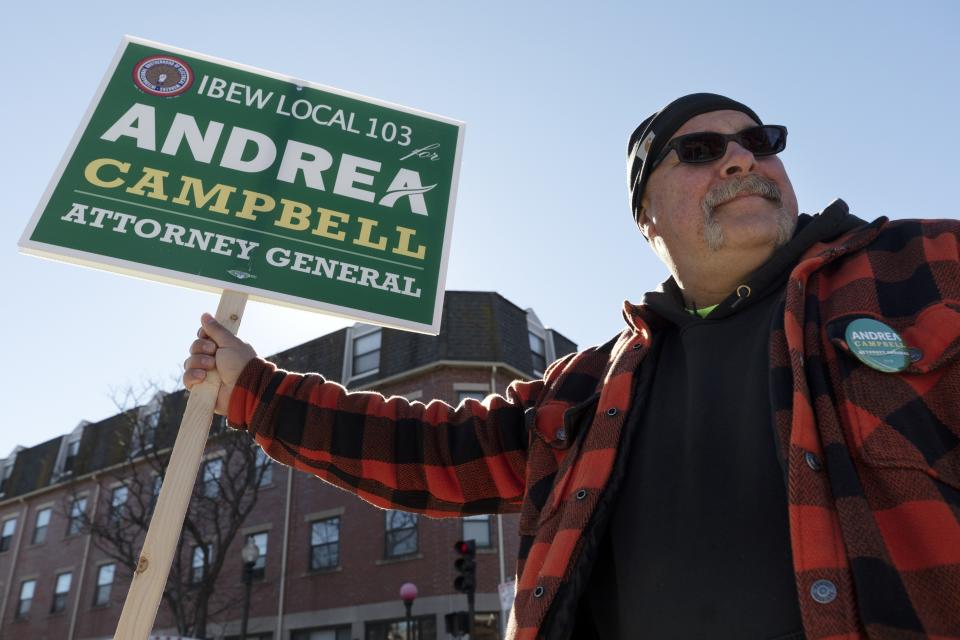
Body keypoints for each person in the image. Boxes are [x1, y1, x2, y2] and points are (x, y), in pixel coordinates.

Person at [184, 93, 960, 640]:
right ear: (647, 215)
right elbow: (435, 454)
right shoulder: (590, 386)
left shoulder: (925, 266)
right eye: (699, 149)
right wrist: (254, 390)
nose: (737, 159)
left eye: (759, 142)